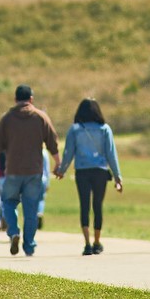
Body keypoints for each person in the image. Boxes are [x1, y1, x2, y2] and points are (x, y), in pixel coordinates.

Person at [0, 84, 60, 256]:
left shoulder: (6, 119)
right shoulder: (40, 117)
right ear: (31, 99)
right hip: (34, 172)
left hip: (13, 170)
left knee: (8, 202)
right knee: (31, 209)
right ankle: (29, 245)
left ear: (15, 100)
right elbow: (52, 142)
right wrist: (58, 164)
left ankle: (14, 232)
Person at [55, 98, 124, 255]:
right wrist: (117, 177)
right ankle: (97, 241)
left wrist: (62, 170)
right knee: (97, 206)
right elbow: (111, 154)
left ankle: (87, 243)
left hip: (82, 171)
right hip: (100, 171)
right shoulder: (105, 129)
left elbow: (68, 152)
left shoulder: (75, 129)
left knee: (84, 206)